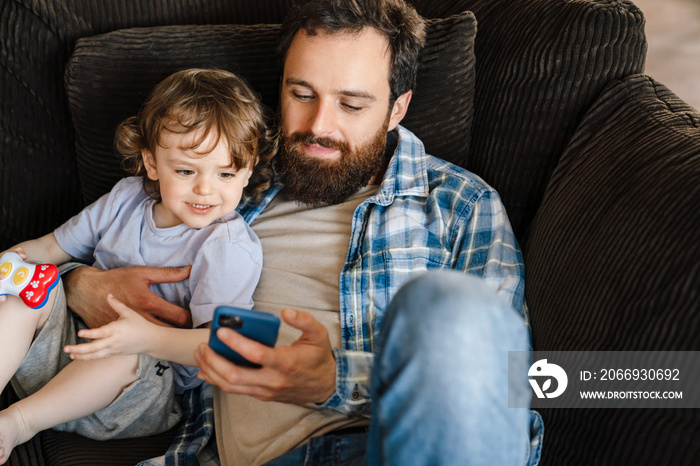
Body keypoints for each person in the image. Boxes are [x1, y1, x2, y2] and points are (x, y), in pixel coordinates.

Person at [65, 1, 544, 465]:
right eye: (301, 94)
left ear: (397, 109)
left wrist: (335, 380)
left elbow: (513, 383)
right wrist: (81, 284)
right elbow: (89, 238)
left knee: (445, 306)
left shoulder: (460, 204)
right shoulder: (226, 175)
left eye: (352, 104)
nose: (319, 126)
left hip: (378, 446)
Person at [0, 68, 276, 464]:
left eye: (226, 173)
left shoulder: (227, 247)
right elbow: (47, 248)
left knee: (124, 353)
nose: (205, 189)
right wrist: (8, 265)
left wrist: (143, 337)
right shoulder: (125, 199)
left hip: (138, 389)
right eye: (185, 170)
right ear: (151, 162)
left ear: (247, 172)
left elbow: (221, 344)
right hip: (59, 347)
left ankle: (18, 422)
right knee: (26, 286)